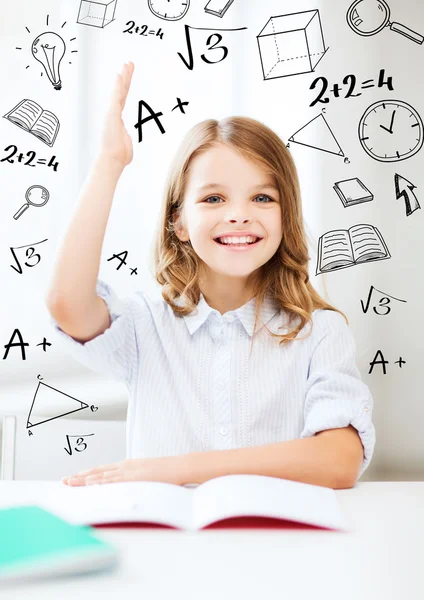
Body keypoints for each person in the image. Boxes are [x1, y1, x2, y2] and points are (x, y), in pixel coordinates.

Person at [46, 62, 376, 489]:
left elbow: (339, 461)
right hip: (170, 548)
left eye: (261, 197)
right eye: (214, 198)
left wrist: (176, 469)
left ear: (285, 216)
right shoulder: (146, 325)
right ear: (179, 222)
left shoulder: (320, 333)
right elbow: (66, 303)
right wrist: (110, 163)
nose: (239, 215)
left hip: (283, 547)